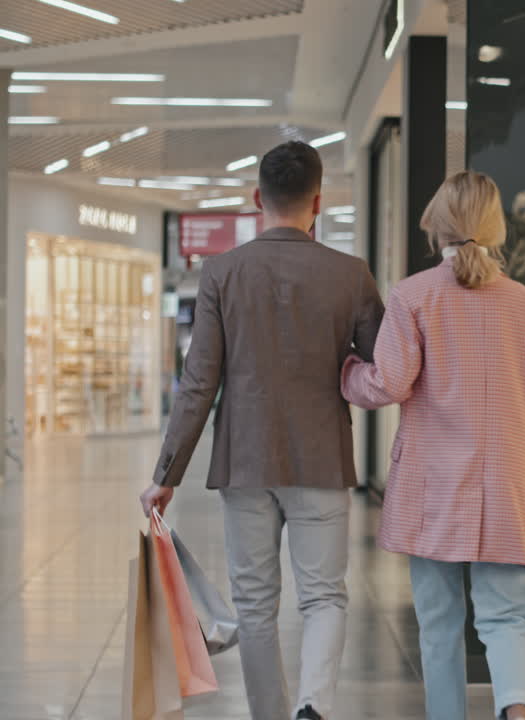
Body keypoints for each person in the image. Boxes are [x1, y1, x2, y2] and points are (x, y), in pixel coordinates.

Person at [139, 141, 385, 720]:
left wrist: (165, 475)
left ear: (256, 199)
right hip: (322, 460)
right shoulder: (350, 275)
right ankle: (314, 706)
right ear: (318, 203)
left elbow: (198, 383)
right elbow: (383, 367)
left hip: (245, 463)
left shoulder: (223, 272)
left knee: (254, 606)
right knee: (324, 595)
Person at [341, 170, 525, 720]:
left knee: (439, 623)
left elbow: (390, 383)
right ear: (495, 228)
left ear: (435, 228)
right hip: (511, 484)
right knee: (506, 618)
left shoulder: (414, 297)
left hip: (434, 485)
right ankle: (517, 713)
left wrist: (348, 373)